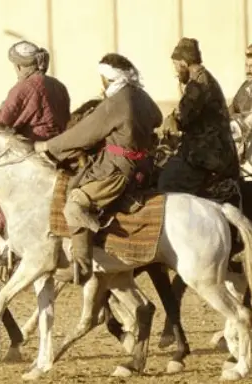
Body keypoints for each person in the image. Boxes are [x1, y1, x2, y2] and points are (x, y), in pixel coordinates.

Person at [33, 53, 162, 283]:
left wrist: (48, 146)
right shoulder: (141, 95)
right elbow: (158, 118)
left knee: (75, 203)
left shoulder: (116, 102)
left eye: (101, 77)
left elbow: (83, 134)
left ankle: (81, 266)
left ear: (107, 78)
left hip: (116, 170)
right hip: (143, 165)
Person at [0, 40, 71, 243]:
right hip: (59, 151)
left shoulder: (24, 88)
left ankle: (0, 243)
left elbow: (2, 119)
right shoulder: (58, 86)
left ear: (19, 66)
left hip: (34, 152)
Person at [157, 37, 239, 202]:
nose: (175, 71)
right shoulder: (203, 78)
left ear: (184, 63)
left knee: (166, 181)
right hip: (212, 152)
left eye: (175, 65)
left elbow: (185, 117)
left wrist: (171, 121)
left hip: (207, 155)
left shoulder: (198, 84)